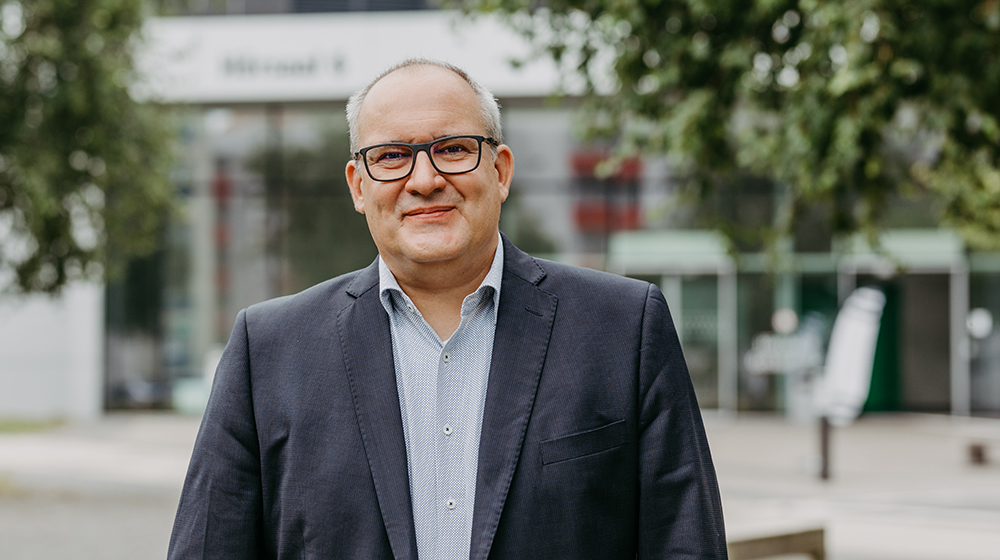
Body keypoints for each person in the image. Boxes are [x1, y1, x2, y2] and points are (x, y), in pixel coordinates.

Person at [168, 59, 727, 560]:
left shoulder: (624, 327)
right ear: (358, 186)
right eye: (391, 156)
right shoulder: (268, 351)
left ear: (501, 170)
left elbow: (686, 544)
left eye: (453, 149)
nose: (426, 180)